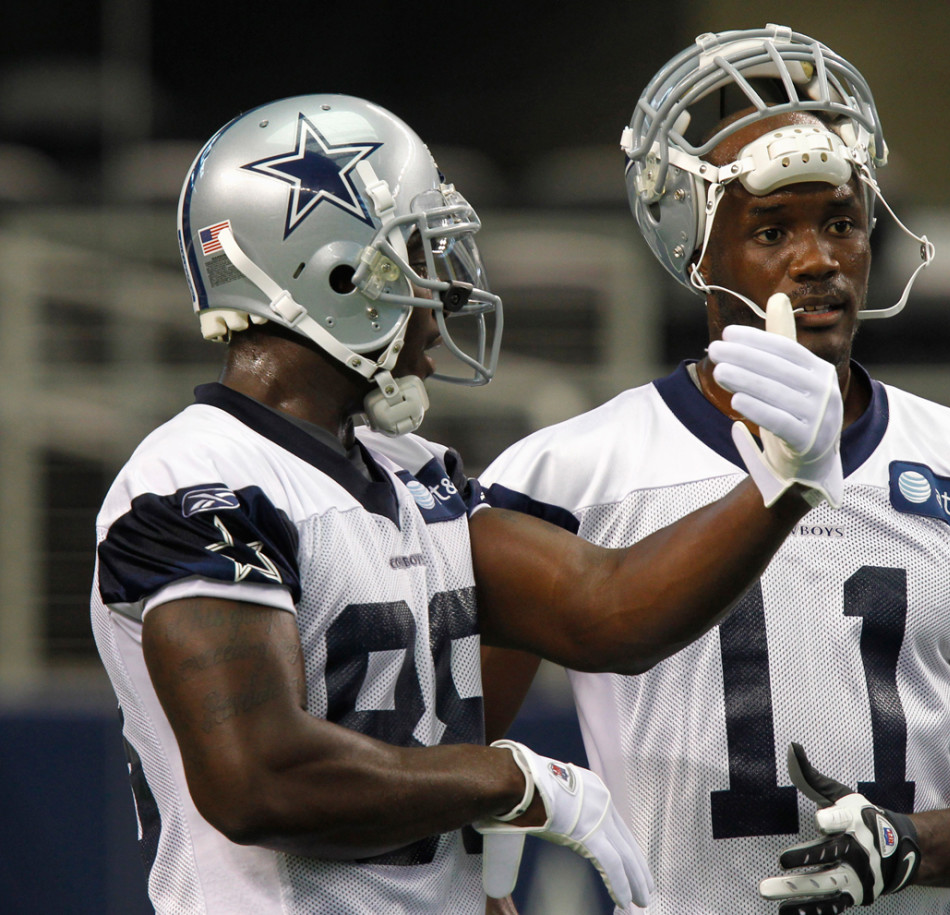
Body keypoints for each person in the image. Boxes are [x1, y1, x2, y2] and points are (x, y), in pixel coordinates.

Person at [90, 93, 849, 915]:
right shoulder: (193, 481)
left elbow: (609, 610)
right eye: (418, 249)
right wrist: (513, 779)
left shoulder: (410, 473)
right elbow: (260, 779)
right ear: (341, 272)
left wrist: (783, 483)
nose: (443, 288)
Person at [479, 25, 950, 915]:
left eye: (840, 222)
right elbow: (452, 748)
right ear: (697, 251)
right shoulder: (567, 472)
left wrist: (910, 841)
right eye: (773, 229)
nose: (818, 260)